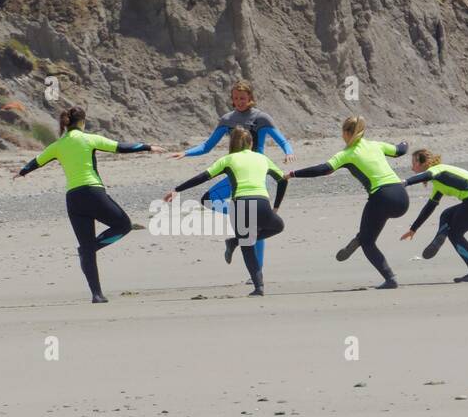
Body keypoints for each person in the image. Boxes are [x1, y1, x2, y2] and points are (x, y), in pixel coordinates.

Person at [16, 106, 160, 303]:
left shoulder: (58, 145)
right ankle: (91, 248)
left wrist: (22, 172)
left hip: (74, 199)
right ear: (82, 122)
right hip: (93, 193)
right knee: (123, 225)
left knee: (86, 248)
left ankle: (97, 294)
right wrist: (147, 147)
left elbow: (36, 161)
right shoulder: (89, 139)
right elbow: (120, 147)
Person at [169, 80, 293, 272]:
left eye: (243, 98)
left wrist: (288, 151)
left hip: (257, 173)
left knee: (255, 228)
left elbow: (282, 139)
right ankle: (240, 215)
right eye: (235, 98)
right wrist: (186, 153)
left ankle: (257, 269)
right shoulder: (227, 119)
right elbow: (207, 146)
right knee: (209, 199)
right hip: (235, 171)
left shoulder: (262, 118)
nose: (239, 101)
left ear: (250, 98)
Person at [287, 116, 409, 289]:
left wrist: (293, 174)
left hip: (381, 197)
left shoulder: (346, 154)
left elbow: (323, 169)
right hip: (402, 196)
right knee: (369, 233)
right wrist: (405, 141)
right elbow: (400, 150)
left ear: (345, 132)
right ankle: (361, 236)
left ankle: (390, 278)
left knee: (368, 242)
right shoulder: (376, 145)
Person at [164, 128, 286, 296]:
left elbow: (203, 177)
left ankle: (259, 286)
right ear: (251, 143)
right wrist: (276, 206)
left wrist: (177, 189)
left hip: (240, 205)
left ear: (232, 144)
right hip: (262, 203)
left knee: (247, 245)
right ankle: (236, 243)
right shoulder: (262, 158)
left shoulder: (227, 159)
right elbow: (283, 180)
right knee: (278, 226)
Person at [399, 149, 468, 282]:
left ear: (424, 163)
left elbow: (427, 175)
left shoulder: (438, 170)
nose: (412, 167)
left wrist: (405, 182)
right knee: (447, 215)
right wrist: (413, 229)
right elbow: (429, 207)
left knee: (454, 233)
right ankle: (441, 237)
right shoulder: (438, 185)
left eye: (414, 162)